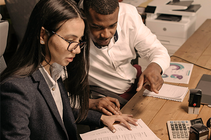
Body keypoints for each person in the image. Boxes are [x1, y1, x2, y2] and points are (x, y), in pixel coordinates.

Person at [0, 0, 138, 139]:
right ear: (42, 35)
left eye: (79, 41)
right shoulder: (16, 89)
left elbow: (59, 112)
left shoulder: (54, 69)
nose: (78, 50)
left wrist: (101, 118)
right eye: (70, 40)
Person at [81, 0, 170, 107]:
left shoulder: (127, 14)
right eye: (97, 27)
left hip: (136, 80)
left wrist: (155, 67)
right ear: (84, 16)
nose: (106, 34)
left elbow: (157, 50)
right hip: (108, 95)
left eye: (112, 26)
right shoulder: (73, 23)